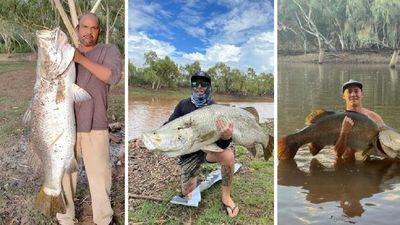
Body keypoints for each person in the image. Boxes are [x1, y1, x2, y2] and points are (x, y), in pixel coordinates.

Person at [136, 71, 239, 217]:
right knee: (188, 193)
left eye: (203, 84)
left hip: (208, 150)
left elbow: (222, 145)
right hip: (189, 153)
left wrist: (226, 136)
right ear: (191, 86)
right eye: (195, 83)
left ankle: (226, 196)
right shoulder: (183, 105)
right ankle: (196, 173)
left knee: (228, 155)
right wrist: (148, 136)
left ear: (208, 86)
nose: (199, 87)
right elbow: (169, 125)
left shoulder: (215, 109)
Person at [56, 13, 122, 225]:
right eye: (85, 27)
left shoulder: (108, 50)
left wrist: (80, 59)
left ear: (99, 31)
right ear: (77, 29)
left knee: (100, 177)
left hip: (96, 124)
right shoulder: (65, 53)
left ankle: (104, 219)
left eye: (94, 28)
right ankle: (65, 219)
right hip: (66, 126)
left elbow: (111, 76)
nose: (89, 32)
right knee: (65, 176)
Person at [309, 79, 384, 160]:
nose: (353, 94)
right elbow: (336, 154)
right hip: (344, 163)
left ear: (361, 94)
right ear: (344, 96)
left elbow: (386, 145)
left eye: (356, 91)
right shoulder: (335, 121)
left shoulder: (375, 118)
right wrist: (344, 132)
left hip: (368, 165)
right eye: (349, 91)